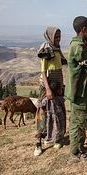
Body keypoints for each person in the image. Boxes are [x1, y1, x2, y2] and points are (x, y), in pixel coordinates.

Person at [65, 16, 87, 162]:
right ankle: (76, 153)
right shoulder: (78, 47)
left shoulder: (80, 45)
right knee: (78, 122)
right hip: (80, 90)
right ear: (84, 30)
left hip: (85, 88)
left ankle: (80, 147)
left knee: (81, 120)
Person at [34, 27, 67, 156]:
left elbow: (60, 69)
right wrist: (48, 89)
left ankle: (56, 138)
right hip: (47, 87)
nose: (58, 39)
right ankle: (38, 143)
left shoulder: (57, 51)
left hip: (57, 86)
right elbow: (43, 71)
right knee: (43, 114)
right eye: (56, 37)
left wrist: (61, 86)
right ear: (50, 37)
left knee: (58, 112)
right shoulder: (46, 51)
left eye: (59, 36)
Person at [41, 80, 66, 149]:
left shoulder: (46, 99)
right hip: (59, 117)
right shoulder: (60, 99)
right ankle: (57, 141)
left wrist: (44, 111)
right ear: (58, 91)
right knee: (59, 129)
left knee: (50, 128)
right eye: (61, 89)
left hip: (50, 117)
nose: (62, 90)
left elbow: (42, 105)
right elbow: (63, 105)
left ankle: (51, 138)